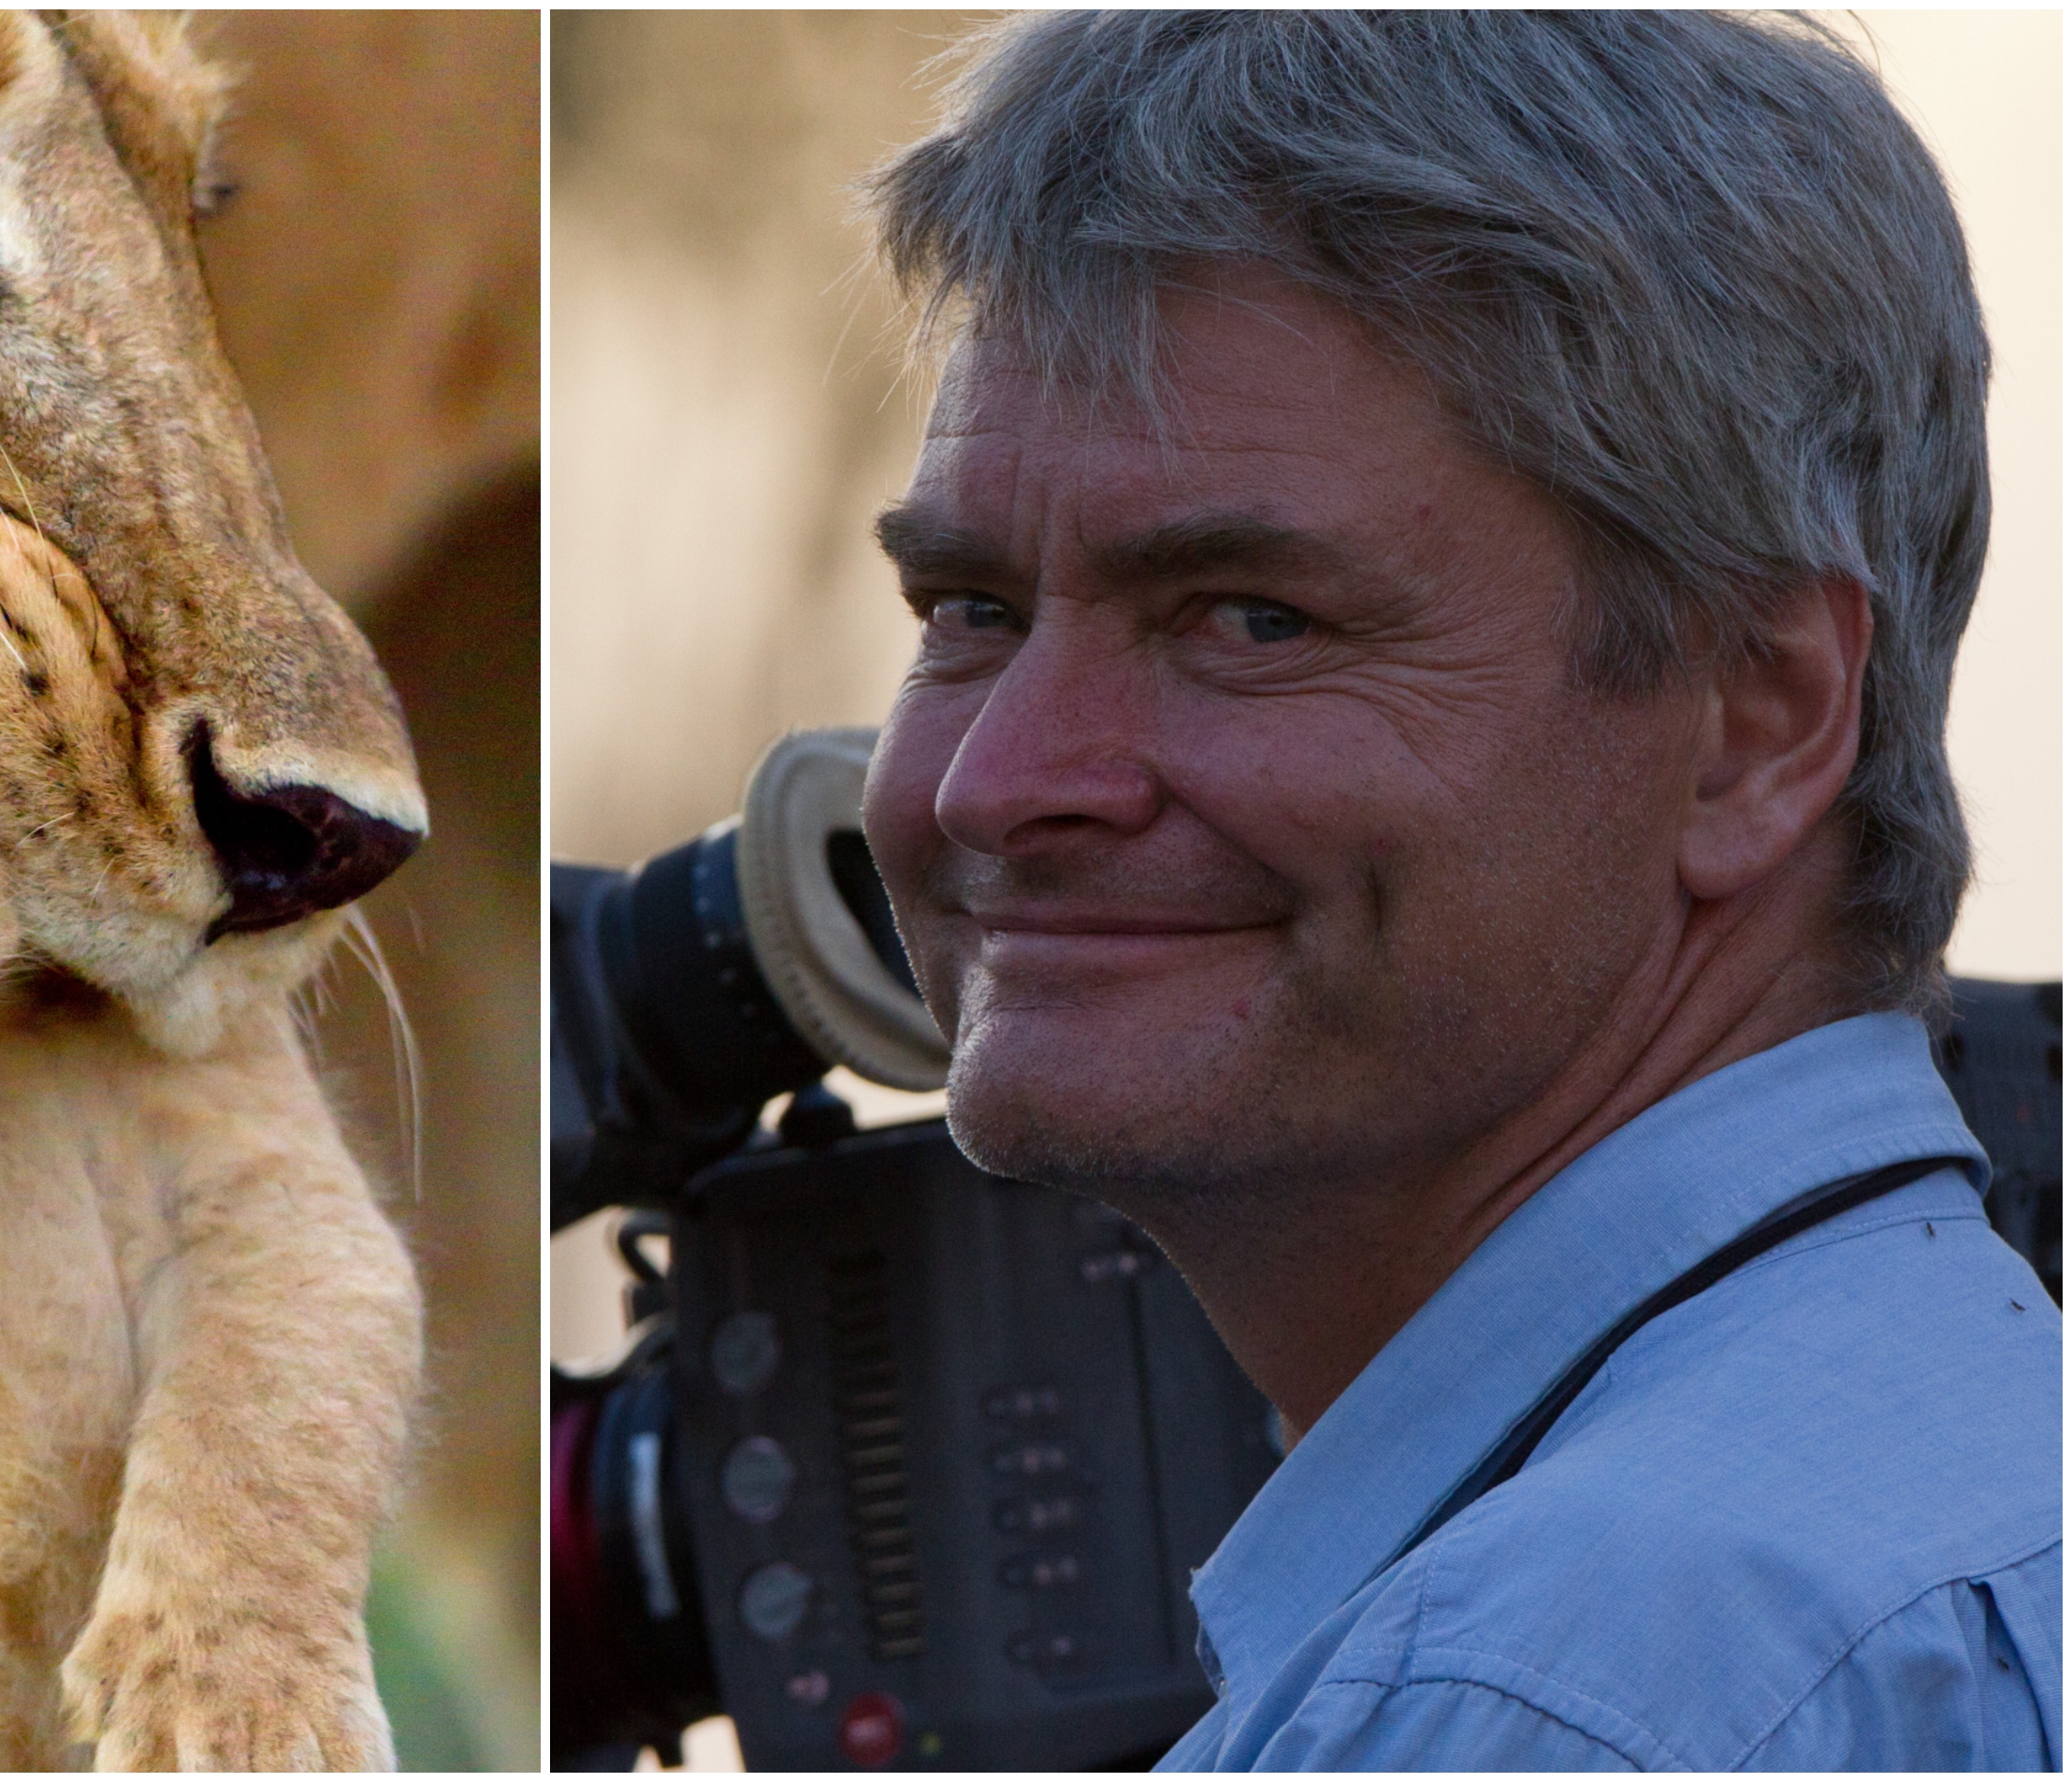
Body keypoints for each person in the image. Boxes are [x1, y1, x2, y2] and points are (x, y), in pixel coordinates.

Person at [857, 12, 2058, 1770]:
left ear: (1759, 719)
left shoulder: (1548, 1691)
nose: (996, 782)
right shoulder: (1941, 1472)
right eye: (970, 612)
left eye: (1252, 619)